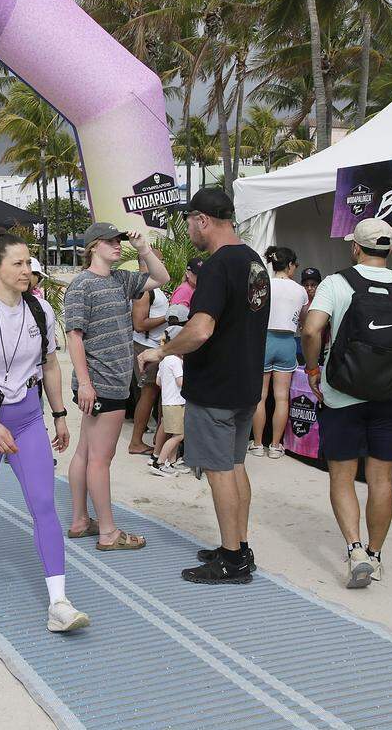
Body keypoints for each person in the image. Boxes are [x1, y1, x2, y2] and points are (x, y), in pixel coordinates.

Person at [0, 231, 89, 633]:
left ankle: (58, 602)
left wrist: (60, 414)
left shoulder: (41, 311)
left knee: (44, 503)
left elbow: (50, 365)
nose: (27, 270)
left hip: (27, 419)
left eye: (29, 263)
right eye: (18, 264)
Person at [137, 188, 268, 585]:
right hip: (245, 383)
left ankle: (231, 560)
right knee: (236, 466)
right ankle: (240, 546)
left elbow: (200, 329)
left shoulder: (216, 266)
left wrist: (161, 353)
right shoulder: (253, 261)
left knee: (218, 472)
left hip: (216, 386)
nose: (189, 228)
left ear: (202, 220)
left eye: (189, 221)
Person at [302, 219, 392, 588]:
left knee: (342, 477)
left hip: (341, 394)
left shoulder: (336, 282)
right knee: (382, 480)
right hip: (389, 396)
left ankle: (355, 549)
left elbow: (312, 329)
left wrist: (314, 370)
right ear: (390, 250)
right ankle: (376, 557)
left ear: (355, 248)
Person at [65, 223, 169, 552]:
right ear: (94, 246)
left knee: (85, 452)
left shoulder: (120, 280)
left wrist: (143, 249)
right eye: (110, 241)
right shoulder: (82, 285)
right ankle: (108, 532)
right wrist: (84, 382)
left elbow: (161, 278)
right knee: (100, 458)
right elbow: (74, 336)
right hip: (100, 382)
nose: (116, 246)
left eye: (117, 241)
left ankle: (81, 519)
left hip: (107, 381)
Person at [250, 246, 307, 459]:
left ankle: (256, 444)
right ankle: (275, 445)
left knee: (260, 396)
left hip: (264, 340)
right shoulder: (300, 290)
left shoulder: (263, 284)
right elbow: (303, 319)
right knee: (282, 398)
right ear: (290, 265)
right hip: (287, 342)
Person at [128, 249, 168, 455]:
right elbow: (139, 324)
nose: (163, 264)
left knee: (155, 394)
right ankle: (136, 441)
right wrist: (168, 318)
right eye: (160, 261)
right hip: (147, 347)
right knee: (148, 394)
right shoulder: (144, 289)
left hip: (155, 347)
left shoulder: (153, 286)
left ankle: (155, 439)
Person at [151, 322, 187, 477]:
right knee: (179, 435)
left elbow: (158, 382)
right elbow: (181, 382)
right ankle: (159, 463)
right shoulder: (176, 360)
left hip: (167, 401)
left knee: (174, 434)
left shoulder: (165, 360)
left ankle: (170, 462)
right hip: (176, 403)